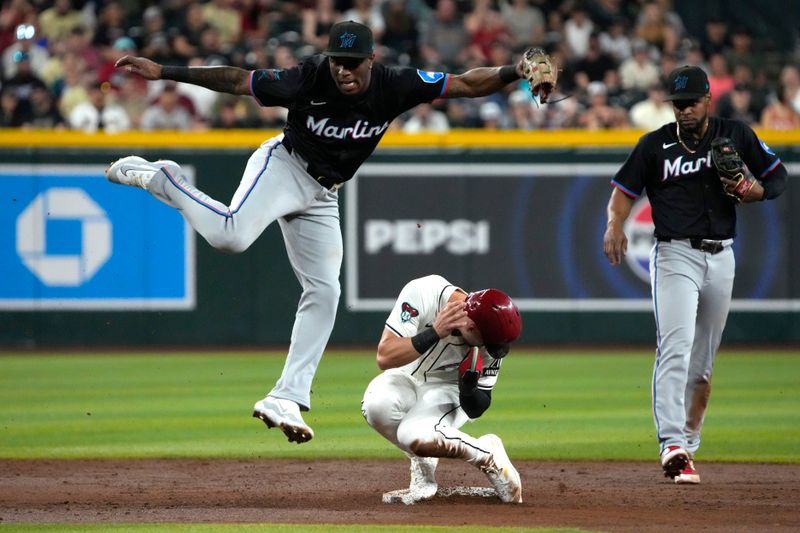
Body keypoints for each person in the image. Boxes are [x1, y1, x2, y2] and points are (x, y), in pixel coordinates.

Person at [104, 21, 541, 445]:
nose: (344, 71)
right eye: (338, 62)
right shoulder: (308, 78)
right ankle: (164, 178)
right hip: (285, 166)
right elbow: (238, 80)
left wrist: (513, 72)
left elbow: (465, 83)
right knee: (230, 236)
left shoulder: (395, 85)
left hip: (324, 193)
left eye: (353, 62)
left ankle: (287, 396)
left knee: (325, 290)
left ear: (372, 59)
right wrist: (164, 72)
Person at [603, 65, 788, 484]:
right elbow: (622, 194)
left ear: (708, 99)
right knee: (676, 346)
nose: (684, 111)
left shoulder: (736, 134)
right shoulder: (654, 145)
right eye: (677, 104)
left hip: (722, 256)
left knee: (702, 366)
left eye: (690, 103)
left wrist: (756, 191)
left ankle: (689, 443)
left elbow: (778, 176)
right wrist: (614, 224)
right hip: (673, 255)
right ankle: (671, 444)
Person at [361, 274, 522, 503]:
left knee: (413, 435)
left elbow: (479, 406)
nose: (490, 349)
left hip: (447, 390)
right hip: (404, 374)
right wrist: (435, 332)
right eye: (486, 341)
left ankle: (487, 455)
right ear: (470, 325)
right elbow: (384, 356)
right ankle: (424, 465)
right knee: (377, 406)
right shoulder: (425, 292)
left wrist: (467, 390)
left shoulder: (490, 338)